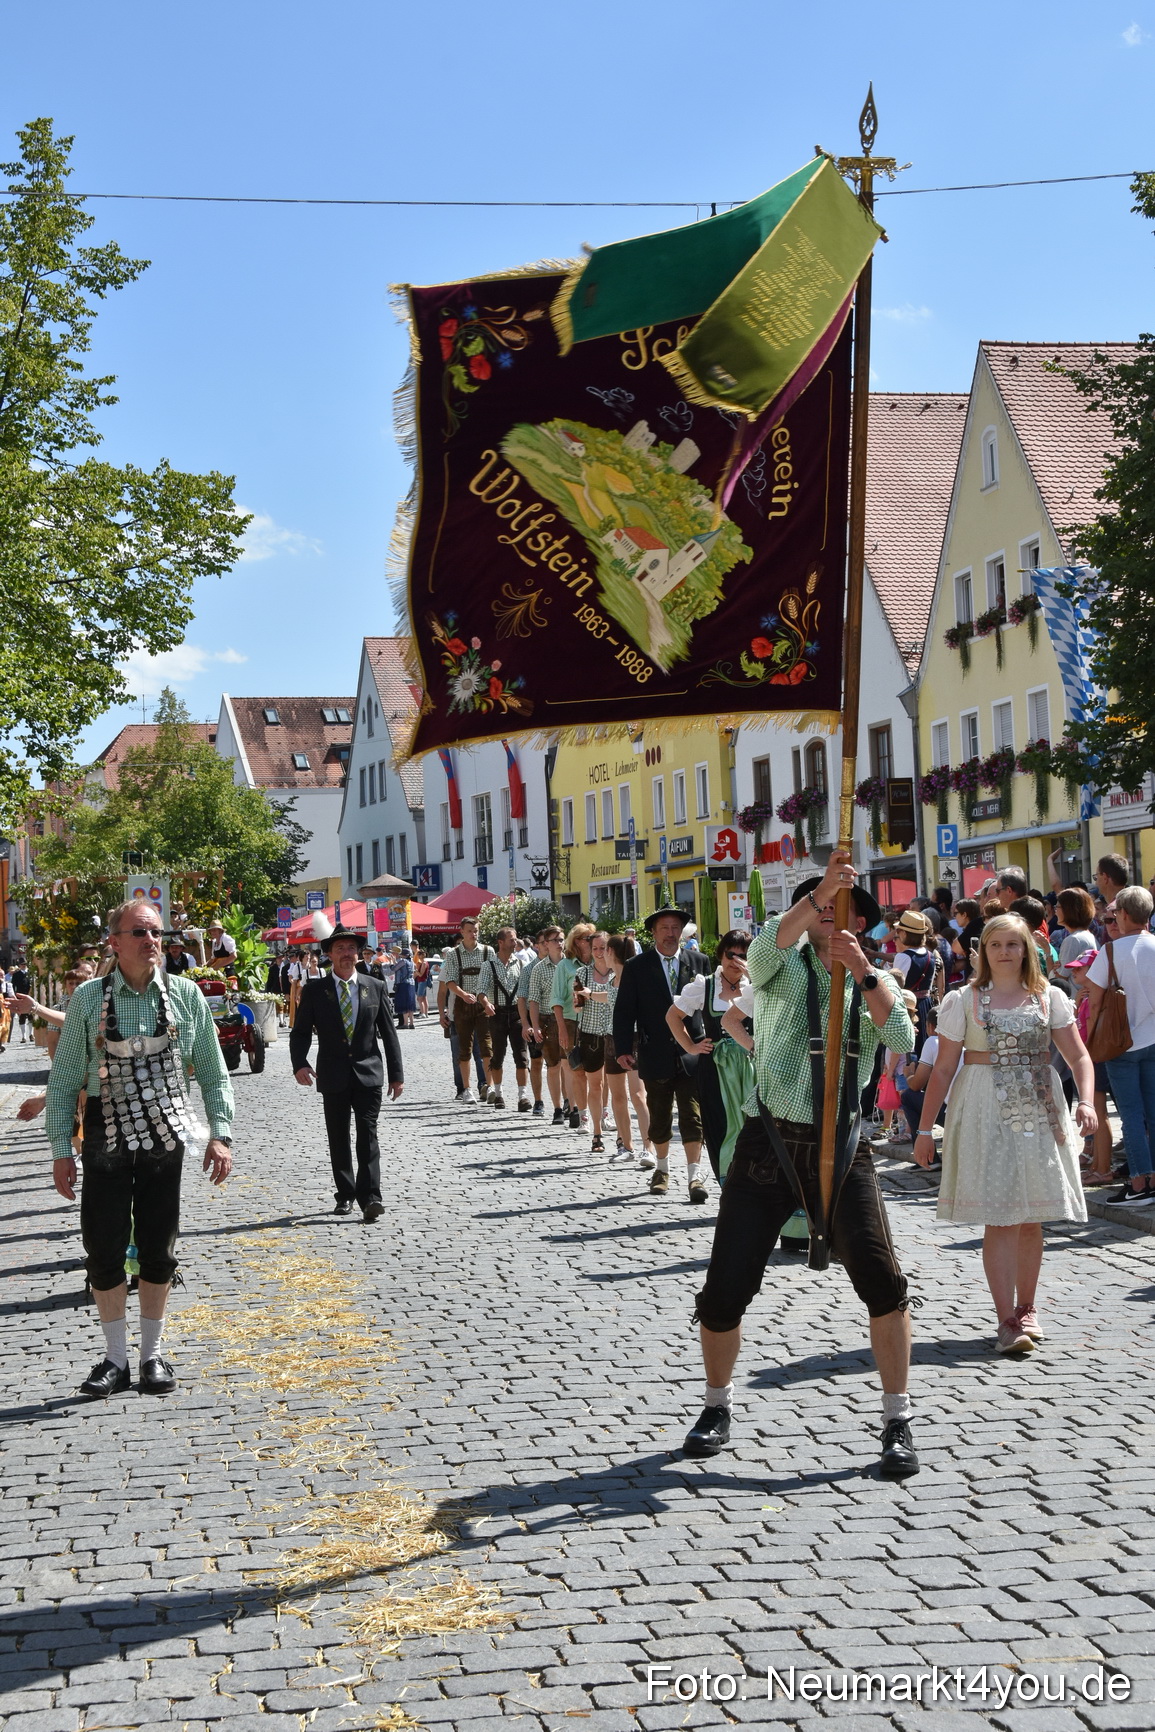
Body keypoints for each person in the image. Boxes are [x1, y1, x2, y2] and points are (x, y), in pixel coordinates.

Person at [683, 852, 919, 1477]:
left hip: (841, 1145)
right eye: (820, 909)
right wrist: (816, 896)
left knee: (884, 1284)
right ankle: (716, 1406)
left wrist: (865, 973)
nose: (828, 918)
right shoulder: (781, 971)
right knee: (724, 1287)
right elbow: (760, 953)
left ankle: (897, 1419)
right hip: (770, 1142)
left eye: (842, 910)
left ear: (860, 925)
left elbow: (901, 1041)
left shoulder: (875, 979)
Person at [45, 900, 234, 1398]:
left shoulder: (186, 995)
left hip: (164, 1132)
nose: (152, 941)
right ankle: (115, 1358)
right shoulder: (87, 1000)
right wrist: (60, 1148)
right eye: (140, 933)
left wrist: (221, 1133)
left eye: (156, 934)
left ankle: (151, 1355)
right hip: (105, 1132)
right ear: (115, 941)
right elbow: (64, 1078)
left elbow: (213, 1069)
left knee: (158, 1243)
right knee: (102, 1245)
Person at [914, 913, 1093, 1352]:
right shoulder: (965, 1000)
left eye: (1013, 944)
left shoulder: (1048, 997)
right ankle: (1006, 1319)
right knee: (1000, 1216)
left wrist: (1086, 1101)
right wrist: (923, 1130)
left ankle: (1029, 1309)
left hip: (1037, 1105)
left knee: (1030, 1217)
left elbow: (1079, 1058)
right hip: (982, 1107)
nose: (1005, 952)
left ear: (1027, 949)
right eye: (996, 945)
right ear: (983, 952)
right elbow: (942, 1068)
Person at [290, 914, 403, 1221]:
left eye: (351, 948)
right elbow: (300, 1032)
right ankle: (345, 1194)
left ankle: (371, 1197)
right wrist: (300, 1063)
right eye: (340, 948)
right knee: (338, 1136)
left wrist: (396, 1075)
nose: (346, 954)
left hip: (369, 1073)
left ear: (358, 953)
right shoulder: (315, 990)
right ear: (329, 954)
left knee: (368, 1134)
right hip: (333, 1073)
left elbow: (389, 1034)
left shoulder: (375, 987)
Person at [612, 907, 710, 1201]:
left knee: (693, 1116)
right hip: (653, 1050)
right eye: (664, 928)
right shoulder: (637, 966)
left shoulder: (699, 961)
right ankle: (663, 1170)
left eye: (676, 928)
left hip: (693, 1051)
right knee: (660, 1116)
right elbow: (624, 1011)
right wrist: (622, 1050)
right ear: (653, 933)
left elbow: (711, 1008)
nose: (670, 934)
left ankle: (695, 1175)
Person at [1086, 885, 1155, 1207]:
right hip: (1154, 1040)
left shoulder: (1111, 952)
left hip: (1120, 1046)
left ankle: (1140, 1182)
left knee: (1130, 1113)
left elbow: (1095, 1003)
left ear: (1124, 915)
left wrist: (1089, 1042)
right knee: (1153, 1113)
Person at [667, 930, 753, 1183]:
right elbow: (672, 1016)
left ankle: (753, 1182)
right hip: (716, 1066)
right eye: (731, 954)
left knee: (753, 1125)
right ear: (721, 954)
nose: (736, 960)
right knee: (720, 1123)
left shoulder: (755, 984)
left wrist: (754, 976)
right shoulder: (705, 985)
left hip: (751, 1065)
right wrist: (691, 1047)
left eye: (743, 955)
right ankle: (727, 1179)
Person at [439, 917, 495, 1104]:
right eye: (470, 930)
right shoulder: (454, 954)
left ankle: (489, 1086)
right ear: (462, 931)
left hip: (483, 1004)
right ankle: (466, 1089)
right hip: (462, 1006)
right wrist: (463, 995)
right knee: (464, 1049)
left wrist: (488, 1001)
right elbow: (449, 982)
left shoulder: (488, 951)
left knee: (487, 1048)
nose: (474, 933)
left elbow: (494, 978)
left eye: (476, 930)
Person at [476, 926, 531, 1110]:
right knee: (497, 1056)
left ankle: (523, 1097)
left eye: (515, 939)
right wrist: (486, 1003)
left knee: (522, 1057)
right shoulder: (488, 965)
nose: (515, 942)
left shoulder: (521, 964)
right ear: (500, 943)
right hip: (497, 1014)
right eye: (511, 939)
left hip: (517, 1013)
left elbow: (526, 992)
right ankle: (498, 1094)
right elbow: (481, 991)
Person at [572, 931, 615, 1154]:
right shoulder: (582, 973)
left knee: (616, 1085)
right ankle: (597, 1133)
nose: (599, 953)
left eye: (603, 948)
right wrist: (577, 1000)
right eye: (595, 948)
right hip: (590, 1035)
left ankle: (619, 1135)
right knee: (595, 1084)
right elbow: (577, 1007)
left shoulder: (618, 972)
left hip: (614, 1034)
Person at [551, 922, 595, 1131]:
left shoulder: (600, 962)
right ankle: (582, 1115)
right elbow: (557, 1000)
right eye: (589, 938)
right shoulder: (565, 965)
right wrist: (561, 1029)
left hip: (596, 1021)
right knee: (578, 1070)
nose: (593, 942)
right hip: (571, 1022)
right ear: (577, 941)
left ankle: (602, 1114)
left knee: (598, 1072)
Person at [524, 926, 566, 1123]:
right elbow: (533, 1000)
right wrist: (534, 1025)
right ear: (546, 944)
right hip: (548, 1020)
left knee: (571, 1066)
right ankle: (557, 1108)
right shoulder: (538, 969)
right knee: (554, 1066)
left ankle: (572, 1105)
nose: (559, 943)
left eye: (561, 939)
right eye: (555, 940)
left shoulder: (572, 964)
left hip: (570, 1020)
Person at [890, 909, 941, 1053]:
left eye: (899, 931)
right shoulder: (931, 956)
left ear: (905, 933)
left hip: (909, 1006)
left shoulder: (903, 957)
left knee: (907, 1047)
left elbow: (897, 987)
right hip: (925, 1005)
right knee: (923, 1046)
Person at [516, 934, 548, 1118]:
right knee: (536, 1062)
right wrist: (525, 1023)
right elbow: (522, 998)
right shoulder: (529, 969)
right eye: (542, 943)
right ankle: (538, 1101)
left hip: (556, 1018)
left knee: (560, 1063)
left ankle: (566, 1102)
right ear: (536, 946)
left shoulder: (562, 965)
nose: (546, 946)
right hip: (535, 1018)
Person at [1052, 887, 1097, 984]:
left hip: (1074, 996)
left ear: (1068, 910)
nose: (1055, 911)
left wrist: (1054, 969)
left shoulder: (1073, 940)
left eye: (1057, 907)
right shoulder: (1087, 935)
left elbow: (1060, 979)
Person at [392, 947, 416, 1029]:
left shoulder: (403, 961)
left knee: (404, 1003)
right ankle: (412, 1023)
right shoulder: (412, 962)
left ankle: (405, 1023)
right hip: (411, 983)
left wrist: (392, 962)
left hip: (403, 983)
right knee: (410, 1003)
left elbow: (394, 968)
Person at [413, 947, 431, 1018]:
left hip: (422, 981)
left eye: (418, 955)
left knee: (419, 998)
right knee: (424, 998)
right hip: (423, 981)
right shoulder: (425, 962)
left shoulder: (423, 963)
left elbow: (421, 974)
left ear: (420, 955)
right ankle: (426, 1013)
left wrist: (415, 971)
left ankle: (422, 1013)